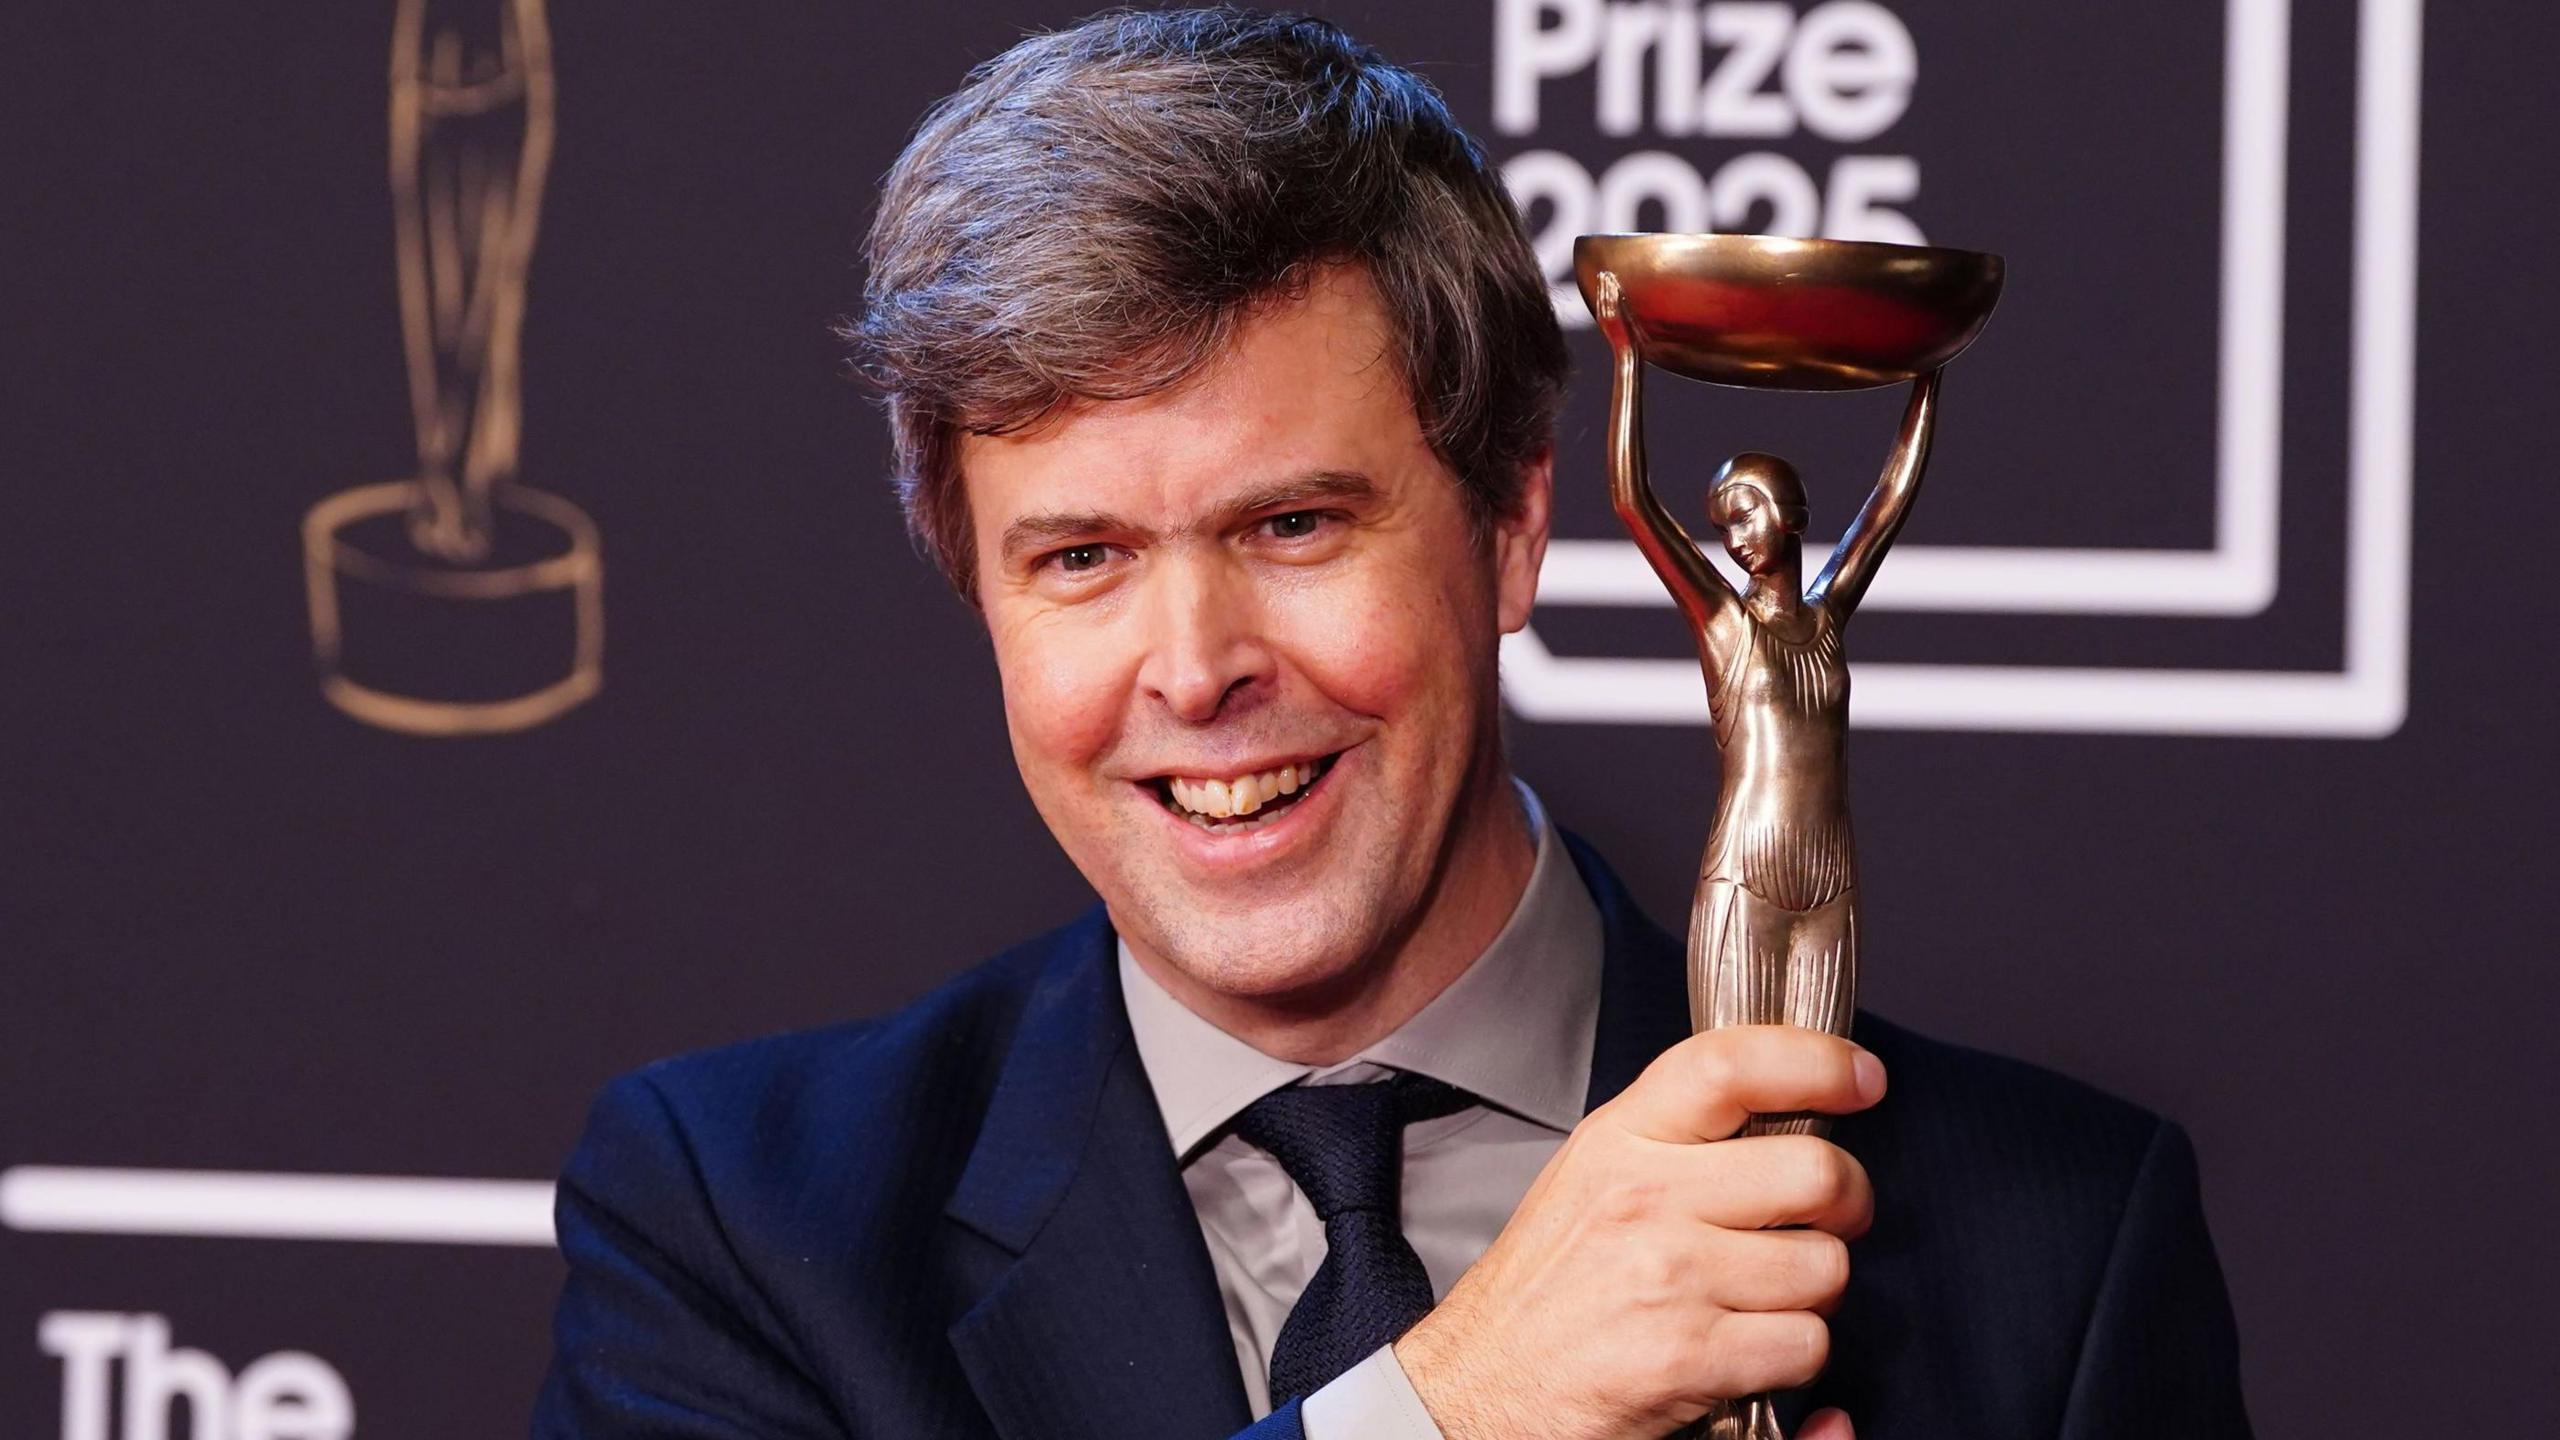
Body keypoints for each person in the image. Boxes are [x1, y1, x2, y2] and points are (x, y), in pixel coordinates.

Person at [532, 10, 2251, 1439]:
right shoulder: (743, 1228)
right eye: (1082, 558)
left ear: (1511, 525)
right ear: (973, 586)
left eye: (1293, 527)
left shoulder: (2047, 1248)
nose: (1194, 667)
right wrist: (1458, 1407)